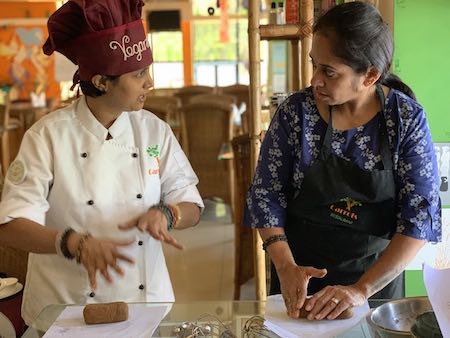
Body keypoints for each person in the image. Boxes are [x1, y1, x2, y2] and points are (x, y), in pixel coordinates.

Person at [0, 0, 203, 326]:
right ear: (101, 82)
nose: (149, 83)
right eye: (138, 74)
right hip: (63, 310)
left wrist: (168, 213)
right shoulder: (47, 137)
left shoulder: (154, 131)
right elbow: (11, 226)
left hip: (145, 303)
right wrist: (72, 243)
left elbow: (190, 202)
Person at [244, 1, 441, 321]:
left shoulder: (405, 119)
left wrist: (360, 290)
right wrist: (285, 265)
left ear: (370, 76)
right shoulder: (296, 114)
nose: (314, 81)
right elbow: (265, 195)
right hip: (298, 282)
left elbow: (419, 219)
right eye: (314, 65)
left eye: (329, 71)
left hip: (375, 288)